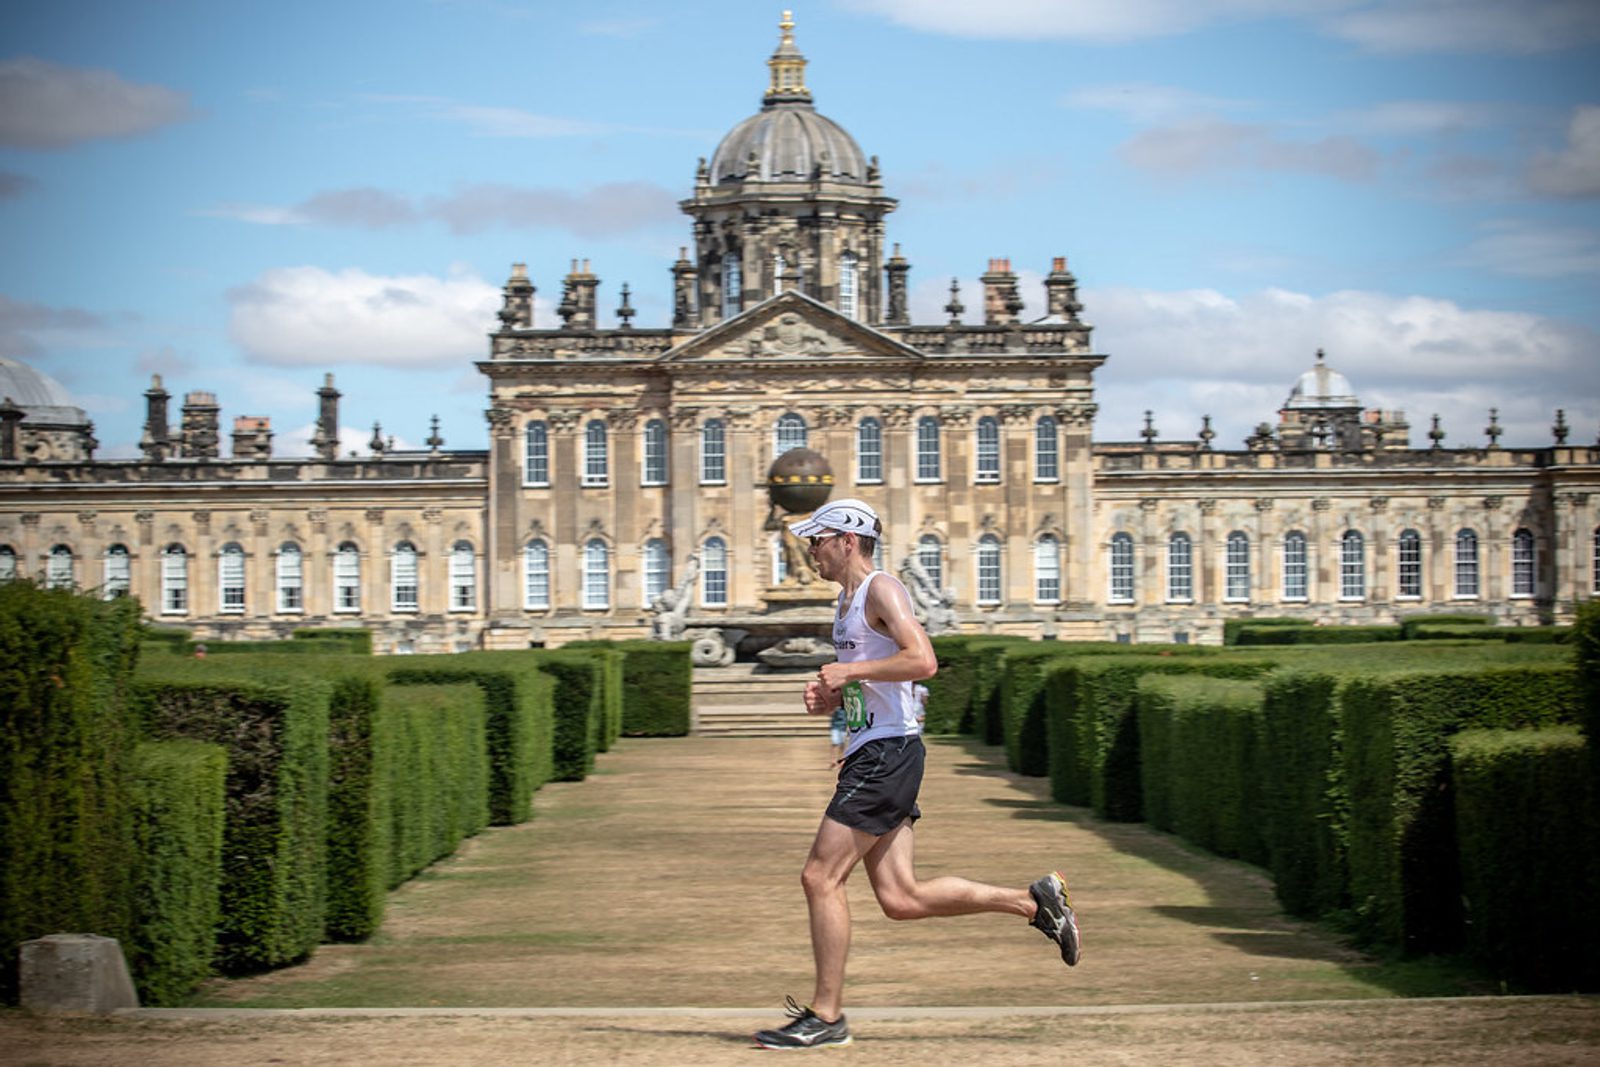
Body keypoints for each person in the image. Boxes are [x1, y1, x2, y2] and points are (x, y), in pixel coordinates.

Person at [753, 499, 1081, 1051]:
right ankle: (1033, 902)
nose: (809, 549)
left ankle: (827, 1016)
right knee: (901, 898)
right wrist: (833, 697)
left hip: (887, 755)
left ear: (848, 541)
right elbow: (881, 684)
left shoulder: (883, 588)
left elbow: (923, 660)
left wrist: (851, 670)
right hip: (876, 751)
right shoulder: (846, 601)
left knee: (819, 877)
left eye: (818, 539)